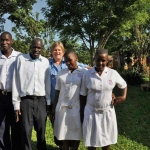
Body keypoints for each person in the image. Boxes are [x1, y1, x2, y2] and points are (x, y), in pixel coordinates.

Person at [80, 48, 127, 150]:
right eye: (98, 60)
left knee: (106, 143)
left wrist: (123, 97)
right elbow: (83, 95)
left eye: (103, 60)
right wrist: (82, 112)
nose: (100, 63)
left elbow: (123, 85)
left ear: (107, 61)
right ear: (94, 59)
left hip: (107, 112)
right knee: (91, 143)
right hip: (91, 112)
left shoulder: (112, 73)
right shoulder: (87, 75)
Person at [49, 42, 90, 149]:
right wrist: (53, 108)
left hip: (76, 109)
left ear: (76, 58)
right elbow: (57, 91)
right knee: (63, 136)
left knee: (76, 135)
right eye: (66, 61)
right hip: (62, 109)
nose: (67, 63)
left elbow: (95, 82)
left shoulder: (84, 72)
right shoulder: (61, 73)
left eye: (70, 60)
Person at [12, 38, 51, 150]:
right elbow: (16, 82)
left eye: (39, 48)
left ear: (42, 49)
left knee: (41, 131)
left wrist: (48, 103)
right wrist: (16, 104)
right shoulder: (21, 60)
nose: (36, 50)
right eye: (34, 47)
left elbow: (47, 83)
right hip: (26, 101)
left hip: (41, 101)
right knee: (25, 132)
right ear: (30, 47)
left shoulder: (45, 62)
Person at [0, 31, 22, 150]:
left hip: (14, 96)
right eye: (2, 40)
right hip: (1, 96)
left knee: (15, 125)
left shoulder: (19, 57)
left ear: (11, 41)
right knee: (1, 127)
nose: (4, 42)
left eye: (7, 40)